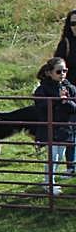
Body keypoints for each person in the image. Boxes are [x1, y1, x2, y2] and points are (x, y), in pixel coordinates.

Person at [31, 57, 76, 195]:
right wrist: (58, 101)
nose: (62, 73)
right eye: (58, 71)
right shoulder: (42, 89)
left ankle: (49, 181)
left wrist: (66, 102)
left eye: (65, 70)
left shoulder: (70, 87)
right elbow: (40, 106)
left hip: (64, 127)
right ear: (50, 72)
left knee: (60, 156)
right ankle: (49, 182)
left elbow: (74, 107)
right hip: (50, 127)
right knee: (53, 156)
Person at [54, 11, 76, 175]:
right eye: (73, 23)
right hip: (71, 91)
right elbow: (56, 67)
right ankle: (71, 166)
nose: (75, 27)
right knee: (71, 129)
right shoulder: (66, 44)